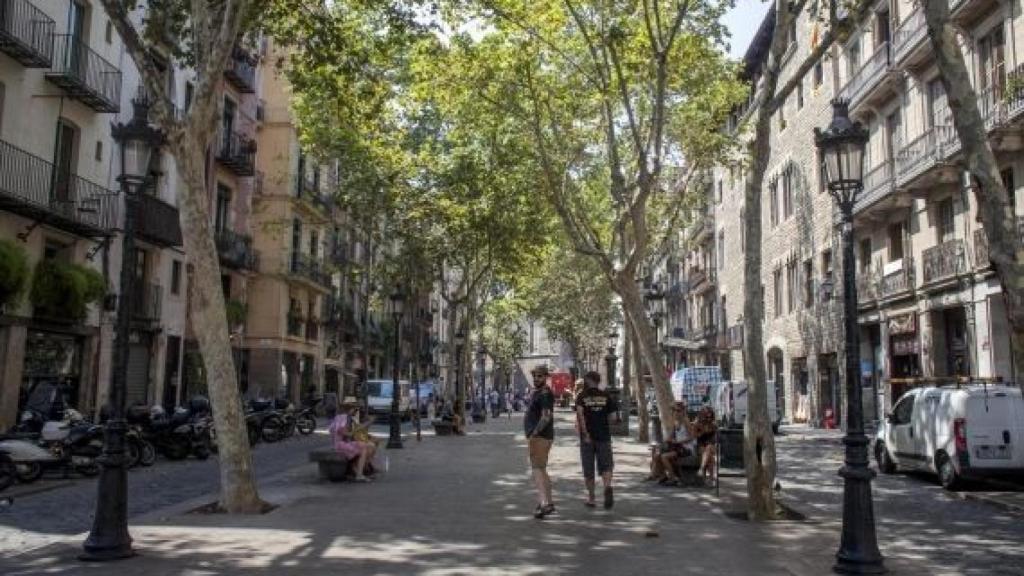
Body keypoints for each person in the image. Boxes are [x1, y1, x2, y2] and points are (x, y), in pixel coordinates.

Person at [575, 371, 619, 509]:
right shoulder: (606, 396)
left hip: (587, 438)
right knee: (606, 465)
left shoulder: (581, 396)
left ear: (588, 380)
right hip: (604, 436)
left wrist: (586, 433)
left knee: (588, 468)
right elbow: (613, 418)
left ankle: (592, 498)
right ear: (598, 381)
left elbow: (581, 417)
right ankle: (607, 487)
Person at [525, 365, 556, 519]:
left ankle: (543, 503)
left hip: (540, 438)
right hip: (543, 437)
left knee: (537, 470)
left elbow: (546, 416)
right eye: (535, 376)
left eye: (540, 376)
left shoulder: (544, 394)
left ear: (546, 377)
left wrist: (534, 433)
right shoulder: (541, 392)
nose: (536, 379)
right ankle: (549, 502)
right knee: (542, 470)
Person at [328, 397, 377, 482]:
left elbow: (355, 429)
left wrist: (367, 424)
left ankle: (360, 470)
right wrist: (354, 432)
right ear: (350, 409)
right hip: (341, 444)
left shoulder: (345, 417)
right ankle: (359, 474)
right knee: (364, 447)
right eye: (355, 408)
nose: (356, 410)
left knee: (370, 446)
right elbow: (344, 432)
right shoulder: (343, 418)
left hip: (344, 443)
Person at [647, 402, 695, 486]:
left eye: (678, 410)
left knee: (664, 456)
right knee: (657, 455)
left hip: (686, 448)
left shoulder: (686, 421)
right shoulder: (675, 422)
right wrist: (663, 442)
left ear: (683, 411)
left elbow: (692, 437)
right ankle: (663, 476)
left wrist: (678, 442)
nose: (676, 412)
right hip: (677, 447)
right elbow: (670, 436)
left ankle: (673, 478)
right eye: (674, 410)